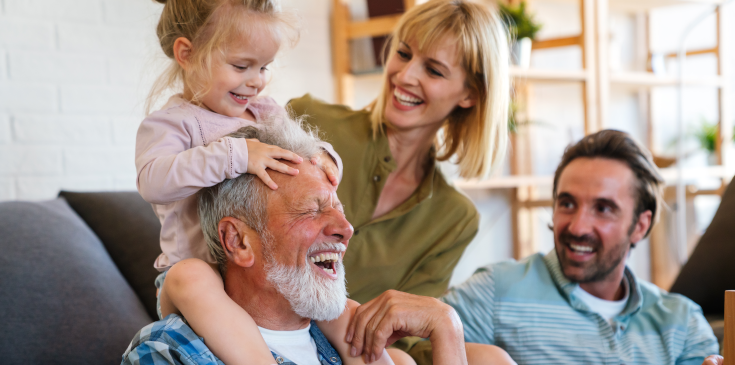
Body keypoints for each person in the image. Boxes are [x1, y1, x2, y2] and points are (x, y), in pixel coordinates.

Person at [122, 120, 473, 365]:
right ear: (238, 241)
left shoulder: (355, 348)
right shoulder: (171, 351)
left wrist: (447, 329)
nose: (346, 228)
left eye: (339, 209)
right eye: (312, 210)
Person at [135, 1, 344, 364]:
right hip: (198, 277)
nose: (256, 80)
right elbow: (153, 181)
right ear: (187, 53)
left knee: (346, 311)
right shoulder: (174, 124)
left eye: (264, 67)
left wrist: (324, 157)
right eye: (241, 66)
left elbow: (302, 149)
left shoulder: (265, 112)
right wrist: (236, 156)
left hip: (260, 276)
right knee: (191, 276)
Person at [398, 130, 720, 365]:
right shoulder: (497, 291)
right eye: (567, 203)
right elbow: (402, 351)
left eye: (603, 209)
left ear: (640, 225)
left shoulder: (682, 323)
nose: (578, 226)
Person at [287, 0, 509, 308]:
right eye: (403, 54)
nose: (404, 76)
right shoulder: (308, 121)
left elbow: (404, 336)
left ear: (470, 93)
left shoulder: (454, 220)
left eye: (433, 70)